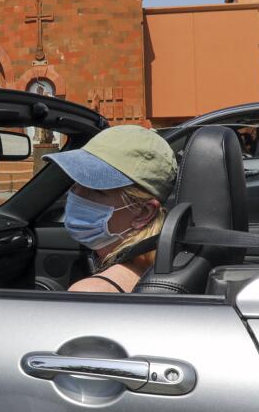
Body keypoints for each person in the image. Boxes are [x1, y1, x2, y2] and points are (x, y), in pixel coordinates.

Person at [45, 124, 177, 293]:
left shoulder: (90, 292)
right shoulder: (165, 262)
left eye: (95, 190)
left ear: (144, 212)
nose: (75, 193)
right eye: (77, 182)